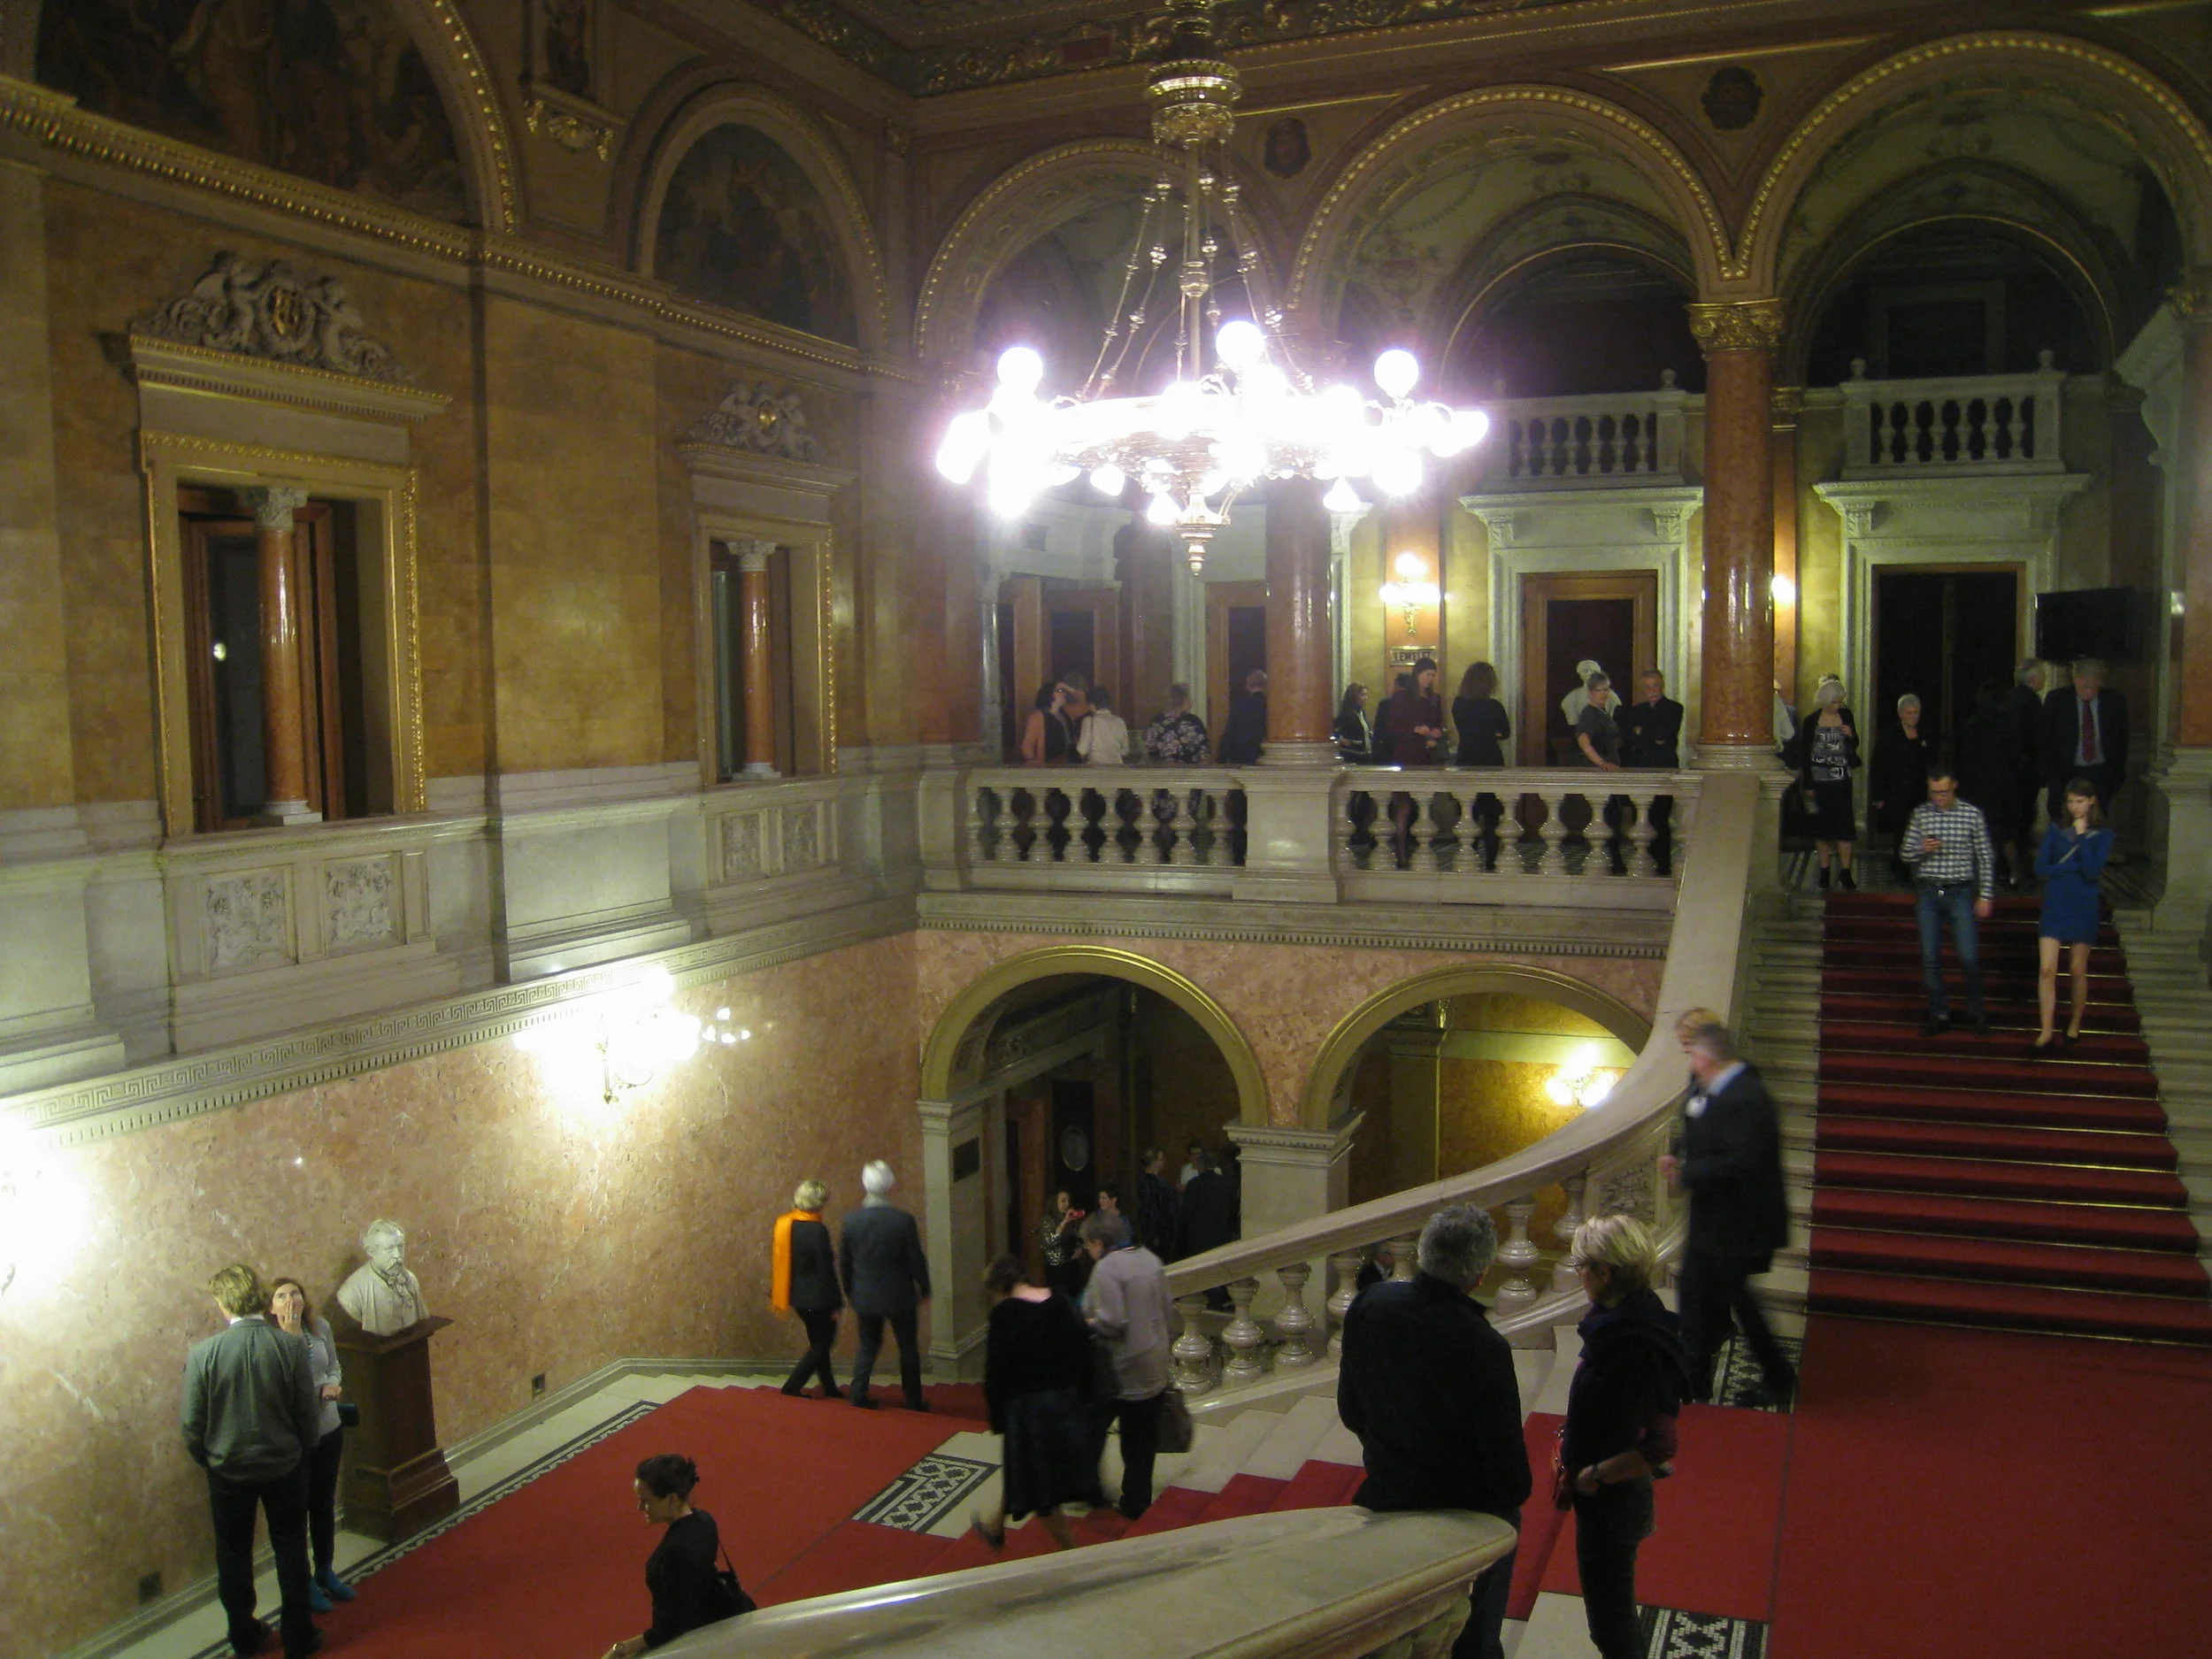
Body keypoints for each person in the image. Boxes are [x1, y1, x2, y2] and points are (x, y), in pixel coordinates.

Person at [1337, 1204, 1531, 1659]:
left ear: (1423, 1254)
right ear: (1481, 1273)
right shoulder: (1484, 1346)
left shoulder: (1371, 1305)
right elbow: (1511, 1479)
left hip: (1387, 1491)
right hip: (1461, 1518)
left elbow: (1351, 1409)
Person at [1559, 1215, 1692, 1659]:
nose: (1577, 1273)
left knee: (1610, 1625)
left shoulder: (1636, 1343)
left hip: (1613, 1501)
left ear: (1605, 1272)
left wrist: (1593, 1475)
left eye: (1581, 1265)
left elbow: (1659, 1446)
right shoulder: (1625, 1317)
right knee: (1610, 1617)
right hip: (1605, 1491)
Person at [180, 1263, 321, 1659]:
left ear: (224, 1303)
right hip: (284, 1465)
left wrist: (208, 1458)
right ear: (259, 1298)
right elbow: (305, 1412)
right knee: (292, 1549)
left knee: (233, 1555)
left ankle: (244, 1634)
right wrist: (305, 1451)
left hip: (228, 1470)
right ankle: (299, 1637)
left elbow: (192, 1424)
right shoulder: (289, 1347)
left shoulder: (203, 1353)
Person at [1660, 1022, 1793, 1408]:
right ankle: (1696, 1377)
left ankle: (1776, 1375)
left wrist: (1689, 1173)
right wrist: (1679, 1153)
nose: (1691, 1064)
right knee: (1700, 1294)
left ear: (1707, 1057)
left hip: (1738, 1221)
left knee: (1730, 1299)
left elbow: (1744, 1162)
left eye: (1693, 1055)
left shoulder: (1746, 1096)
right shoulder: (1716, 1089)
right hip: (1716, 1219)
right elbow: (1696, 1124)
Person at [970, 1256, 1102, 1551]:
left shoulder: (1005, 1315)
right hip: (1067, 1404)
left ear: (999, 1288)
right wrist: (1087, 1398)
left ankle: (1073, 1550)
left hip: (1030, 1413)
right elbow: (1084, 1351)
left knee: (1041, 1487)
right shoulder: (1061, 1300)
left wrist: (998, 1419)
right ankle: (994, 1526)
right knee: (1028, 1475)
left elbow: (996, 1373)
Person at [1079, 1210, 1173, 1520]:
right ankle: (1136, 1501)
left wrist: (1088, 1322)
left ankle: (1089, 1492)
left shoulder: (1107, 1269)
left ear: (1098, 1242)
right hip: (1155, 1360)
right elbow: (1167, 1311)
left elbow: (1113, 1322)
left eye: (1088, 1245)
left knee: (1091, 1428)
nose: (1088, 1252)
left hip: (1121, 1369)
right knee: (1141, 1442)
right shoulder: (1150, 1260)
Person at [600, 1454, 744, 1656]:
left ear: (672, 1498)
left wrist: (623, 1648)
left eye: (646, 1501)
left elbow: (676, 1624)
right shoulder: (704, 1520)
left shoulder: (675, 1552)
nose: (640, 1508)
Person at [267, 1278, 352, 1612]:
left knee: (323, 1503)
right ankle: (302, 1582)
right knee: (297, 1510)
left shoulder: (320, 1328)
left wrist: (332, 1384)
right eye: (282, 1296)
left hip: (328, 1426)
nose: (291, 1300)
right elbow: (285, 1383)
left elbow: (333, 1366)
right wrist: (290, 1337)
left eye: (295, 1293)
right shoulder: (272, 1340)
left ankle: (326, 1570)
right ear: (271, 1307)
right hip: (296, 1438)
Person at [1899, 764, 1998, 1035]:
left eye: (1943, 792)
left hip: (1960, 892)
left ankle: (1976, 1011)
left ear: (1954, 785)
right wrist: (1921, 848)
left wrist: (1986, 894)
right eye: (1934, 793)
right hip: (1929, 892)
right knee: (1931, 957)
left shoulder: (1971, 815)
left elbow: (1984, 856)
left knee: (1968, 955)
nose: (1938, 798)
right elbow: (1905, 854)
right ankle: (1939, 1013)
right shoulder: (1921, 814)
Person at [838, 1161, 931, 1411]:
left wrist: (850, 1291)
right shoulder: (903, 1221)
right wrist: (925, 1287)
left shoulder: (851, 1221)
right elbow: (915, 1260)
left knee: (867, 1345)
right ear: (890, 1185)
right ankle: (913, 1399)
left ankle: (858, 1393)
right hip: (900, 1293)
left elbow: (844, 1262)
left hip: (865, 1293)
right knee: (908, 1347)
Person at [2033, 777, 2113, 1051]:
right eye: (2070, 801)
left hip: (2084, 905)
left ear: (2091, 801)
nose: (2074, 806)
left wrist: (2081, 836)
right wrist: (2068, 868)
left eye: (2080, 801)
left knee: (2077, 969)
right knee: (2047, 969)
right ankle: (2045, 1030)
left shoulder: (2103, 835)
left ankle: (2074, 1025)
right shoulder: (2056, 830)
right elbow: (2042, 867)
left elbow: (2091, 872)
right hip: (2056, 902)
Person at [1786, 676, 1861, 890]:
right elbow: (1805, 753)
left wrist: (1850, 735)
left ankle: (1845, 872)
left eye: (1840, 702)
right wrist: (1807, 784)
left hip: (1842, 780)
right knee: (1822, 830)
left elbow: (1855, 745)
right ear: (1825, 702)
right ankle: (1824, 872)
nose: (1838, 706)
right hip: (1819, 783)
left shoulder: (1846, 717)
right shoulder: (1811, 721)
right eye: (1834, 702)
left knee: (1845, 828)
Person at [772, 1179, 843, 1400]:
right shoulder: (816, 1229)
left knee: (817, 1342)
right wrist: (836, 1302)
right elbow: (825, 1270)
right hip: (818, 1298)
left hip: (796, 1295)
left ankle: (829, 1387)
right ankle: (792, 1385)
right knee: (823, 1344)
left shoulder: (786, 1223)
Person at [1960, 679, 2030, 888]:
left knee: (1978, 834)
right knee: (2005, 835)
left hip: (1978, 787)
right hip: (2004, 786)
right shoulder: (2009, 724)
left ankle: (1978, 876)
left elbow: (1965, 758)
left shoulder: (1972, 725)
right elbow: (2016, 756)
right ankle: (2015, 874)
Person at [2041, 658, 2128, 821]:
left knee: (2095, 824)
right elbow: (2046, 740)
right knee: (2063, 824)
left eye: (2093, 687)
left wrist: (2115, 774)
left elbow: (2121, 739)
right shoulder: (2057, 700)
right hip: (2065, 773)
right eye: (2084, 686)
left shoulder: (2114, 701)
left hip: (2100, 773)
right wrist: (2051, 774)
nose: (2088, 691)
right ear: (2075, 680)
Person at [1617, 669, 1683, 874]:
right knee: (1641, 818)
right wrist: (1650, 736)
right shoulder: (1637, 711)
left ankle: (1663, 866)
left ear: (1661, 686)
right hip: (1640, 770)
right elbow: (1630, 738)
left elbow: (1665, 735)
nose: (1651, 690)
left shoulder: (1674, 708)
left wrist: (1642, 732)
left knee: (1661, 819)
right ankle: (1644, 864)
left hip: (1664, 769)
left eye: (1655, 686)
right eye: (1647, 687)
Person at [1869, 693, 1935, 879]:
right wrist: (1878, 796)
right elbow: (1878, 766)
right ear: (1900, 713)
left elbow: (1931, 762)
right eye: (1909, 712)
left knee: (1921, 829)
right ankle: (1901, 867)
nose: (1913, 716)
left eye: (1916, 713)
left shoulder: (1925, 733)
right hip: (1896, 792)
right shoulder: (1889, 736)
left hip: (1919, 791)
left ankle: (1919, 867)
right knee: (1901, 830)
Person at [1572, 672, 1628, 874]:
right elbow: (1583, 741)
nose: (1604, 694)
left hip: (1613, 772)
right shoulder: (1589, 713)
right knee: (1610, 817)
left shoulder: (1604, 713)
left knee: (1615, 816)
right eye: (1599, 690)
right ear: (1590, 692)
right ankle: (1614, 861)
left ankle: (1615, 859)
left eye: (1606, 690)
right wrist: (1601, 762)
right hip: (1601, 774)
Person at [336, 1217, 426, 1335]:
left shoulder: (410, 1280)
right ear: (372, 1251)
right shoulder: (352, 1292)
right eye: (390, 1249)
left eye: (400, 1247)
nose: (398, 1255)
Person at [2008, 658, 2047, 864]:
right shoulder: (2032, 701)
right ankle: (2022, 864)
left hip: (2010, 771)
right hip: (2026, 772)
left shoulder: (2011, 697)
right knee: (2025, 819)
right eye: (2042, 675)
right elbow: (2036, 740)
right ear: (2034, 678)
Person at [1142, 683, 1210, 764]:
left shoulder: (1158, 721)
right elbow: (1204, 754)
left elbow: (1149, 750)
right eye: (1190, 699)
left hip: (1165, 772)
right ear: (1185, 700)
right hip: (1189, 773)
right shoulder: (1195, 722)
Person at [1039, 1189, 1087, 1300]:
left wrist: (1080, 1248)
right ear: (1055, 1202)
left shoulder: (1071, 1219)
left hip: (1071, 1265)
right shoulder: (1047, 1220)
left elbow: (1078, 1237)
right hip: (1056, 1268)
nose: (1067, 1204)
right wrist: (1064, 1222)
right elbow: (1050, 1241)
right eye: (1063, 1200)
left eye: (1068, 1200)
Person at [1218, 669, 1269, 764]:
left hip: (1241, 757)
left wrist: (1221, 759)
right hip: (1265, 756)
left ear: (1247, 686)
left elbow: (1229, 733)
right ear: (1266, 685)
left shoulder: (1239, 706)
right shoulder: (1272, 707)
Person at [1135, 1147, 1178, 1259]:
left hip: (1166, 1230)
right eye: (1161, 1159)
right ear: (1154, 1162)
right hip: (1158, 1233)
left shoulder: (1159, 1181)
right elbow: (1149, 1209)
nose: (1164, 1162)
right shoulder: (1148, 1183)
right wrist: (1154, 1234)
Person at [1018, 681, 1074, 765]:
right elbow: (1028, 743)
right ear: (1049, 694)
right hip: (1048, 764)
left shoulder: (1065, 713)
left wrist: (1069, 688)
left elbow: (1088, 703)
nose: (1064, 693)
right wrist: (1031, 761)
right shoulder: (1038, 716)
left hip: (1067, 762)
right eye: (1060, 691)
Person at [1078, 684, 1129, 766]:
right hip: (1117, 769)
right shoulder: (1120, 721)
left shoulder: (1089, 721)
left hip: (1096, 769)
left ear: (1092, 704)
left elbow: (1082, 750)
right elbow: (1125, 751)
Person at [1560, 657, 1603, 734]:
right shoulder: (1572, 696)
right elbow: (1571, 717)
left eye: (1593, 671)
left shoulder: (1610, 695)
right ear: (1580, 674)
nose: (1589, 673)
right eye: (1585, 671)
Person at [1333, 682, 1373, 764]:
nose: (1366, 698)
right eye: (1363, 695)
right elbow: (1330, 727)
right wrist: (1340, 739)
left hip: (1364, 754)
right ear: (1354, 697)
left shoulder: (1361, 713)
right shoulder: (1347, 714)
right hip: (1352, 756)